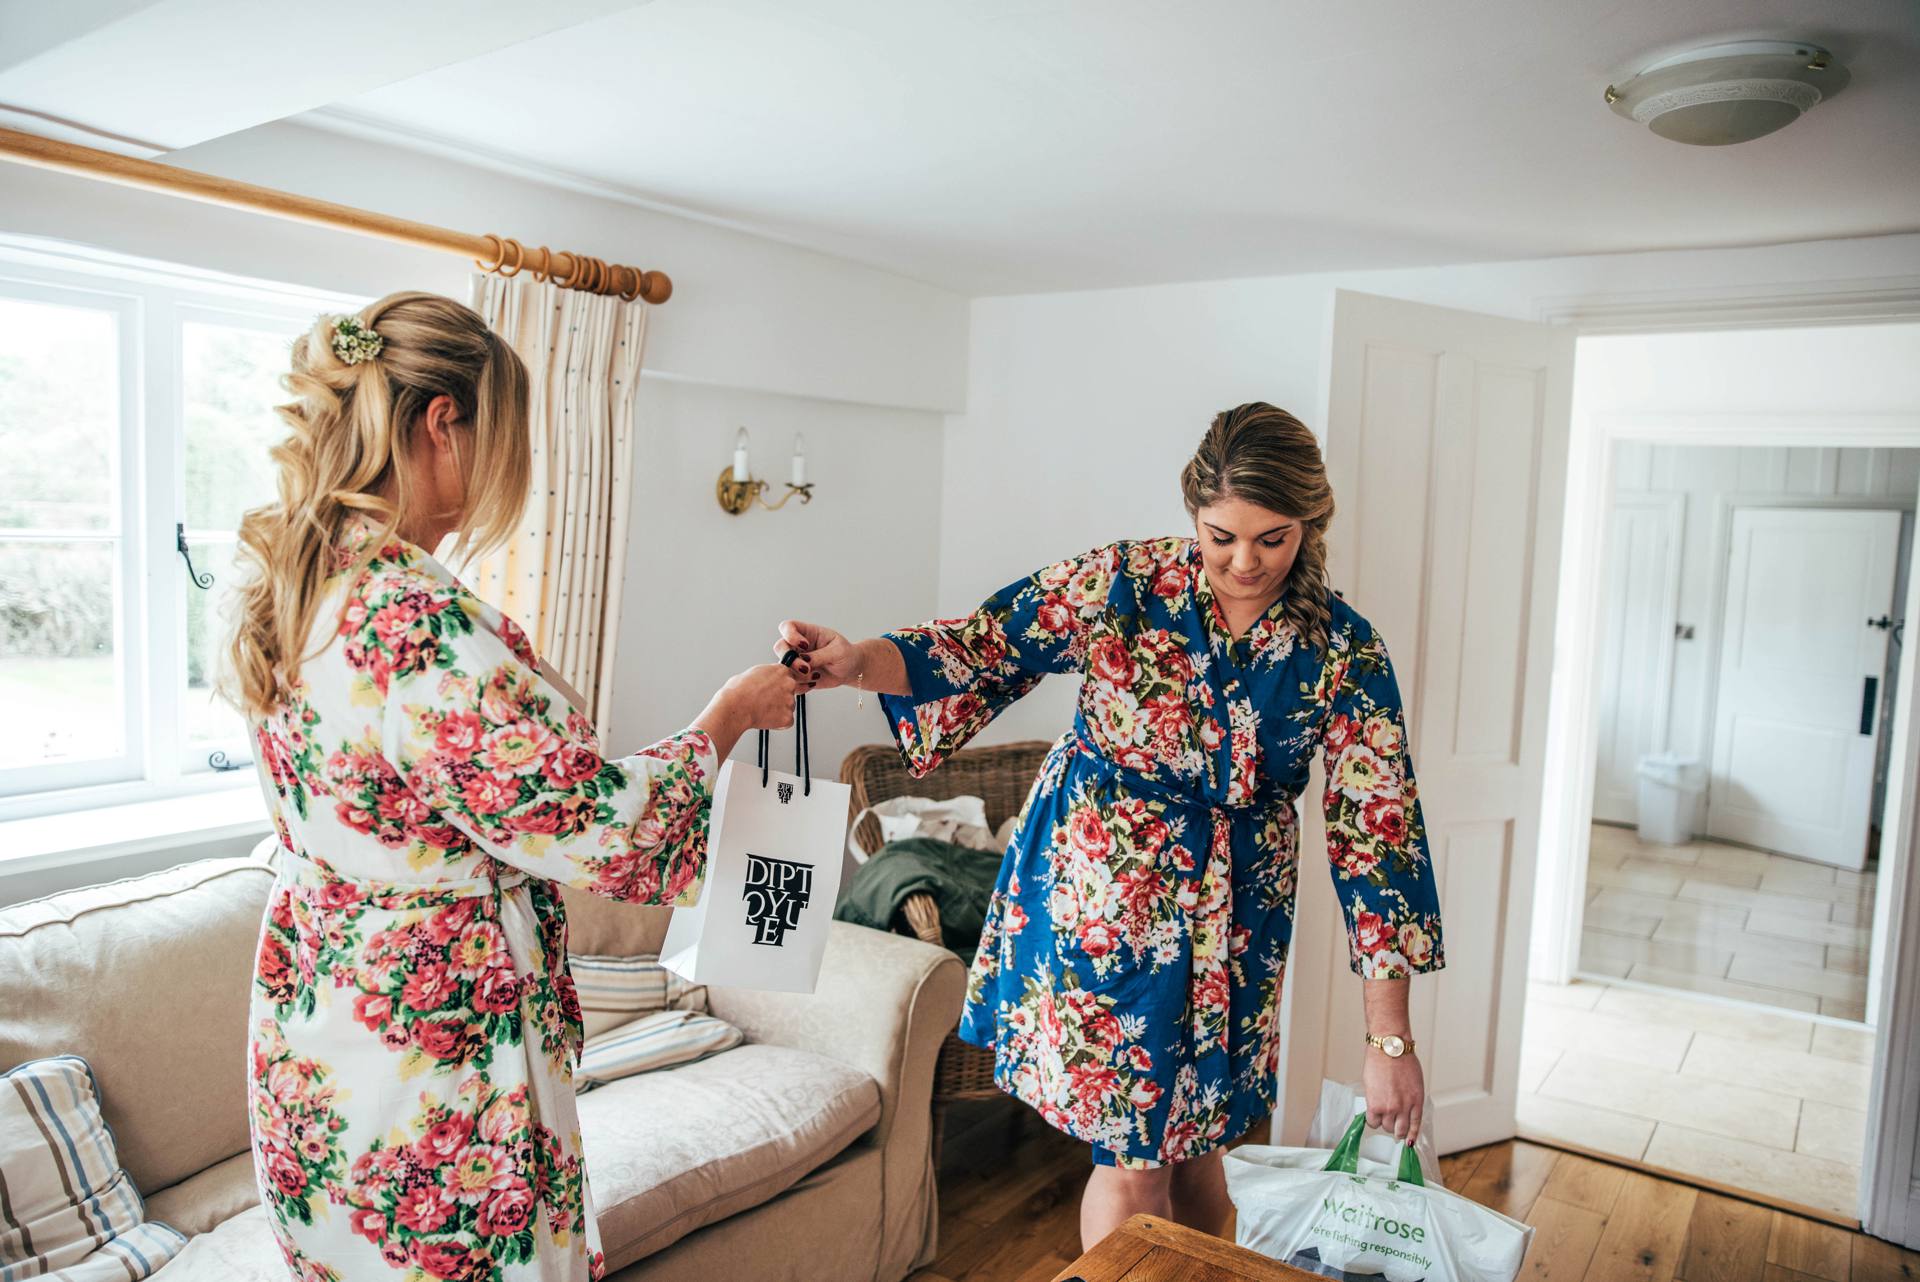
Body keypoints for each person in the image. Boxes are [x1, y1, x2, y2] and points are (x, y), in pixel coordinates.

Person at [223, 292, 798, 1281]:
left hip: (320, 1013)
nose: (507, 467)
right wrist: (728, 717)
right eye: (503, 437)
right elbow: (594, 823)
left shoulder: (280, 579)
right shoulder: (415, 620)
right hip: (437, 1044)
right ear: (442, 422)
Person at [776, 402, 1446, 1249]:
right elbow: (981, 646)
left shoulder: (1345, 649)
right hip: (1107, 894)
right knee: (1135, 1158)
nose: (1245, 562)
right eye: (1221, 536)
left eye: (1272, 539)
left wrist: (1389, 1040)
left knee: (1200, 1145)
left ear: (1310, 524)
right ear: (1192, 513)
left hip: (1239, 918)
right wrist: (855, 661)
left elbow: (1378, 837)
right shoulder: (1123, 585)